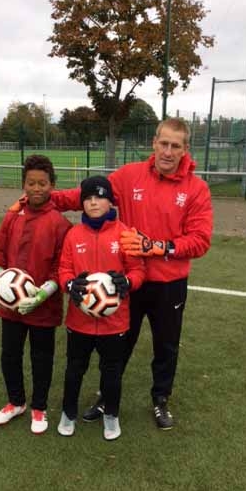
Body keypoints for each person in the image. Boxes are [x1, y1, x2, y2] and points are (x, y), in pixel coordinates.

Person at [51, 118, 213, 430]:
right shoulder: (129, 176)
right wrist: (45, 199)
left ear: (185, 149)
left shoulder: (197, 189)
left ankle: (160, 399)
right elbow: (85, 194)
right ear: (154, 143)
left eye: (175, 146)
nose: (168, 152)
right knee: (119, 344)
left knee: (166, 345)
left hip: (169, 284)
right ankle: (105, 398)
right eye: (163, 144)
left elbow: (200, 240)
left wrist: (157, 247)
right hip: (126, 282)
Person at [0, 155, 72, 434]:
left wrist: (42, 294)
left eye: (42, 183)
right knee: (9, 354)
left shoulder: (60, 223)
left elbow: (62, 267)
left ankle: (39, 407)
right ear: (23, 184)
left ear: (52, 185)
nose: (36, 188)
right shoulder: (13, 216)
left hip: (43, 307)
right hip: (10, 306)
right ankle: (16, 402)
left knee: (41, 357)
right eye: (31, 183)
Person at [57, 175, 145, 441]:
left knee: (112, 372)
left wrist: (127, 282)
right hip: (79, 321)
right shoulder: (73, 235)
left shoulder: (125, 234)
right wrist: (69, 284)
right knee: (74, 369)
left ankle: (111, 415)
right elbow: (64, 269)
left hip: (115, 322)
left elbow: (138, 270)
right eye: (87, 198)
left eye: (99, 197)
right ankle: (68, 413)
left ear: (110, 201)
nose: (93, 202)